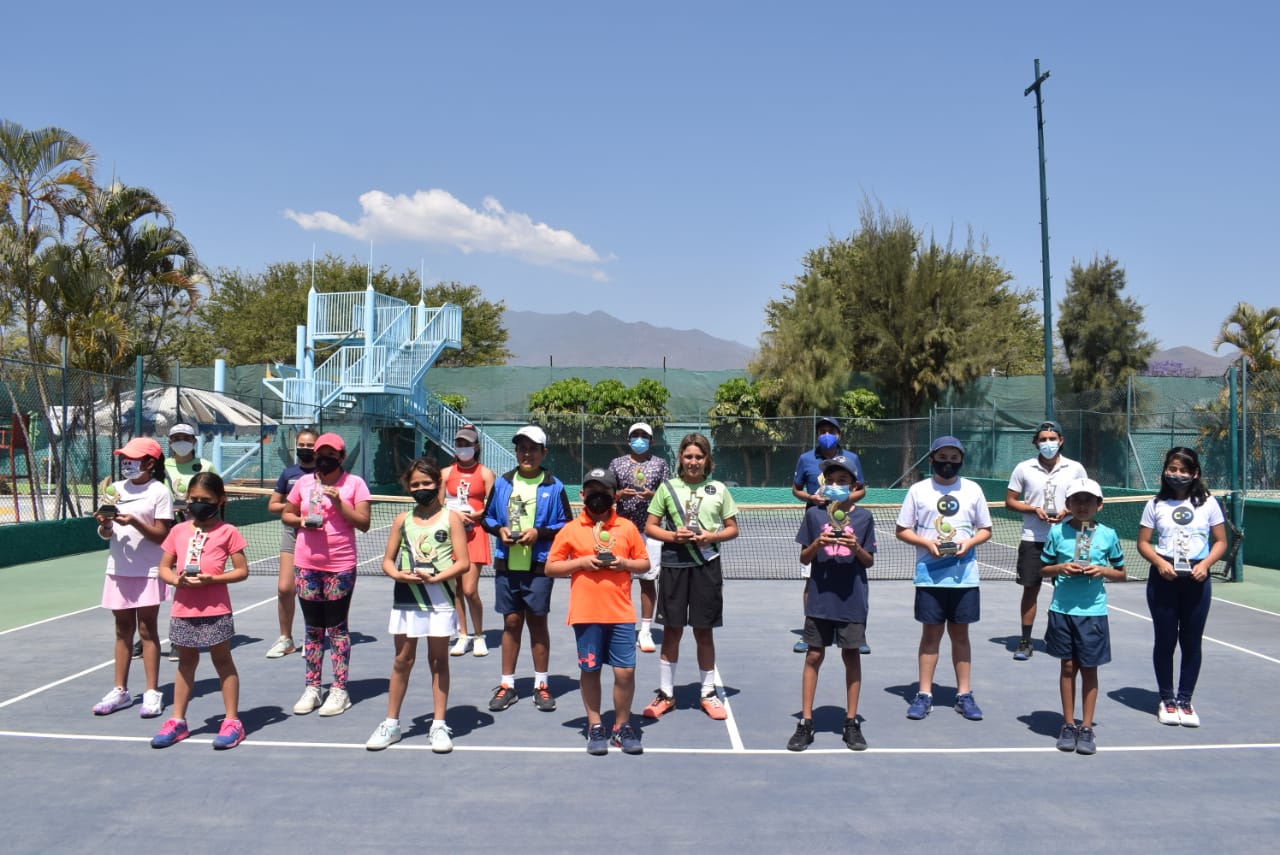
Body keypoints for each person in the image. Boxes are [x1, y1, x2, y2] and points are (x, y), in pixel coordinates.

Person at [365, 459, 470, 753]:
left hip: (440, 599)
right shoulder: (402, 520)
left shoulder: (451, 519)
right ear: (408, 487)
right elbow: (388, 560)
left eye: (426, 483)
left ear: (437, 484)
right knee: (402, 659)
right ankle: (391, 724)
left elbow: (463, 563)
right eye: (415, 484)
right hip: (407, 597)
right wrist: (398, 574)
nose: (421, 488)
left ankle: (438, 725)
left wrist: (436, 578)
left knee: (438, 661)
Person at [547, 468, 651, 755]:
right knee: (590, 670)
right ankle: (595, 725)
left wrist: (624, 563)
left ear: (614, 496)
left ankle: (622, 726)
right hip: (586, 614)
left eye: (604, 491)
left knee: (625, 672)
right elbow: (551, 567)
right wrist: (581, 563)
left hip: (620, 614)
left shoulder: (627, 528)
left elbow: (644, 564)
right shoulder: (571, 529)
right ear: (582, 495)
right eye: (592, 491)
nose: (598, 496)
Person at [895, 436, 992, 722]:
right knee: (930, 637)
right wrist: (927, 544)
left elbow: (985, 529)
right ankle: (924, 694)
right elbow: (902, 529)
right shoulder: (918, 490)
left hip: (964, 578)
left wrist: (968, 543)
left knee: (961, 636)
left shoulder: (973, 490)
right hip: (929, 578)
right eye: (942, 458)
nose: (948, 463)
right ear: (932, 459)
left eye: (954, 458)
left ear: (961, 460)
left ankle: (964, 694)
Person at [643, 432, 740, 721]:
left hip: (706, 566)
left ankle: (708, 693)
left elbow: (732, 529)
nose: (693, 461)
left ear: (707, 459)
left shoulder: (719, 489)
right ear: (681, 459)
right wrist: (674, 536)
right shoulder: (667, 488)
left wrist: (712, 536)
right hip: (674, 566)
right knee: (672, 631)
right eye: (688, 456)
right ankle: (666, 694)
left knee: (703, 631)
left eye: (699, 456)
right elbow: (650, 527)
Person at [150, 473, 251, 749]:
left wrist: (213, 579)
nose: (197, 504)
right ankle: (177, 721)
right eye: (193, 499)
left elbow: (242, 571)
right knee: (185, 664)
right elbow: (164, 568)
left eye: (205, 499)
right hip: (183, 609)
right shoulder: (178, 531)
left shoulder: (228, 532)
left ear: (220, 501)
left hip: (216, 608)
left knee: (222, 661)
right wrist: (176, 580)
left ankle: (232, 721)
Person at [786, 455, 876, 752]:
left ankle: (851, 722)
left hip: (852, 600)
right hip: (820, 599)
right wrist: (818, 543)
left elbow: (869, 561)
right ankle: (806, 721)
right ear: (824, 484)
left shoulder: (864, 518)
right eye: (832, 481)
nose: (836, 485)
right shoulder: (814, 516)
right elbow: (804, 558)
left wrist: (855, 547)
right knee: (813, 655)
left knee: (851, 655)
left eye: (843, 481)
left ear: (854, 486)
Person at [481, 425, 571, 713]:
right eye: (522, 448)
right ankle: (507, 685)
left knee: (537, 622)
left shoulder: (555, 486)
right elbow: (487, 518)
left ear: (544, 453)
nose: (527, 454)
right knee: (510, 622)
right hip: (507, 565)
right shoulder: (503, 483)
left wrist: (539, 533)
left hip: (539, 566)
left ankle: (541, 684)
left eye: (533, 449)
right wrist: (500, 530)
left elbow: (566, 523)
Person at [1136, 446, 1227, 727]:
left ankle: (1185, 700)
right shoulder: (1155, 504)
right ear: (1165, 471)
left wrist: (1206, 565)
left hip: (1197, 580)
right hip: (1164, 579)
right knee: (1165, 640)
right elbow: (1143, 543)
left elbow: (1221, 541)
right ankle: (1167, 699)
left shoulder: (1208, 503)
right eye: (1173, 469)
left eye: (1184, 470)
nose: (1178, 474)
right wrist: (1158, 563)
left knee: (1191, 641)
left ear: (1195, 473)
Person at [282, 432, 372, 717]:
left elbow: (364, 523)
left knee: (336, 628)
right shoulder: (304, 483)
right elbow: (286, 513)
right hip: (306, 564)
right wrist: (302, 521)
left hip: (340, 566)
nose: (324, 459)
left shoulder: (355, 484)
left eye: (331, 454)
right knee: (312, 628)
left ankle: (339, 689)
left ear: (342, 457)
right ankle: (312, 687)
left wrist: (339, 502)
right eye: (321, 454)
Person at [1039, 478, 1126, 755]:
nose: (1083, 505)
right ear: (1068, 504)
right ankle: (1067, 724)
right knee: (1067, 667)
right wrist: (1061, 567)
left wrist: (1103, 571)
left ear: (1099, 505)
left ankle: (1086, 727)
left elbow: (1121, 573)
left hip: (1093, 613)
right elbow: (1043, 569)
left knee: (1089, 669)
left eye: (1089, 500)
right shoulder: (1057, 532)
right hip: (1062, 610)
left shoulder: (1108, 535)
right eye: (1077, 500)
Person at [92, 437, 174, 718]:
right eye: (125, 458)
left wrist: (135, 522)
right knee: (122, 629)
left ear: (150, 463)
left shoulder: (159, 492)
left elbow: (162, 535)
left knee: (147, 630)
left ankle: (151, 692)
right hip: (118, 570)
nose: (127, 463)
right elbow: (107, 534)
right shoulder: (114, 489)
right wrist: (105, 525)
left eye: (134, 458)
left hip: (148, 570)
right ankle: (121, 691)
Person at [1005, 419, 1087, 661]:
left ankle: (1064, 637)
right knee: (1031, 590)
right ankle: (1025, 640)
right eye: (1043, 439)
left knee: (1068, 589)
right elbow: (1010, 501)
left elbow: (1086, 500)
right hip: (1033, 539)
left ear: (1061, 441)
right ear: (1036, 442)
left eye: (1052, 439)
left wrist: (1067, 512)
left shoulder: (1075, 468)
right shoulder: (1023, 468)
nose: (1048, 443)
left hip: (1068, 537)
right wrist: (1034, 510)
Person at [791, 417, 867, 654]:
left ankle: (855, 633)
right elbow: (796, 489)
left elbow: (862, 489)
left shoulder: (852, 458)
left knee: (852, 576)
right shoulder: (806, 458)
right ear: (817, 435)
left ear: (839, 435)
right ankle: (810, 632)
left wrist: (842, 499)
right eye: (822, 431)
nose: (826, 434)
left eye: (831, 431)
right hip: (817, 522)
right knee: (811, 578)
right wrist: (811, 498)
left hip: (846, 521)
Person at [607, 421, 668, 654]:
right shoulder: (617, 464)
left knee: (647, 580)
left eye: (644, 436)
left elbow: (668, 494)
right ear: (628, 439)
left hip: (650, 531)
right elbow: (607, 493)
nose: (639, 439)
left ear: (651, 441)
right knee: (620, 581)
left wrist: (654, 495)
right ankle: (621, 627)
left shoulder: (660, 464)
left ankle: (645, 631)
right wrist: (619, 495)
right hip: (621, 530)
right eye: (635, 435)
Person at [264, 428, 318, 659]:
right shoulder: (289, 474)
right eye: (301, 445)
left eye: (310, 445)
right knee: (285, 588)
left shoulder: (325, 473)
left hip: (317, 536)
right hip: (292, 533)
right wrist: (295, 506)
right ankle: (286, 638)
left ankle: (313, 636)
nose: (305, 449)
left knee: (313, 590)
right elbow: (273, 505)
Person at [443, 424, 495, 658]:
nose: (462, 448)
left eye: (467, 444)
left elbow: (492, 507)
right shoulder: (445, 474)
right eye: (459, 444)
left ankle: (479, 635)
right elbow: (438, 506)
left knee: (470, 589)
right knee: (456, 589)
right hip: (451, 536)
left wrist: (475, 515)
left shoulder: (485, 474)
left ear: (476, 446)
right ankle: (463, 635)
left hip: (476, 535)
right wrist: (454, 515)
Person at [164, 422, 218, 509]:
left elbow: (217, 495)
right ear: (170, 442)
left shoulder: (206, 466)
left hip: (198, 516)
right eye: (177, 438)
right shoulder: (161, 467)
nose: (182, 442)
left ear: (194, 441)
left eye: (186, 438)